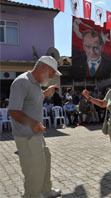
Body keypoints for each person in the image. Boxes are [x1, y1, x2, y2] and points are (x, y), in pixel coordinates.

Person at [8, 56, 62, 198]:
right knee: (34, 170)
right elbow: (13, 111)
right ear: (44, 68)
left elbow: (32, 100)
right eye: (51, 74)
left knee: (45, 161)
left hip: (36, 133)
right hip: (26, 135)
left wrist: (46, 93)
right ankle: (32, 195)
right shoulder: (21, 82)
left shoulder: (36, 83)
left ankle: (45, 190)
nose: (51, 78)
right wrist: (33, 124)